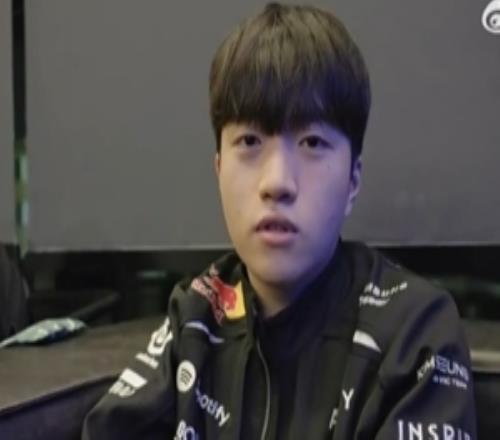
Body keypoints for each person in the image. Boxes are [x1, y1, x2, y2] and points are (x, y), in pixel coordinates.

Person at [82, 3, 477, 439]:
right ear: (218, 170)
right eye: (250, 141)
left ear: (352, 181)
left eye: (312, 142)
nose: (277, 183)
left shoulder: (415, 330)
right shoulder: (197, 313)